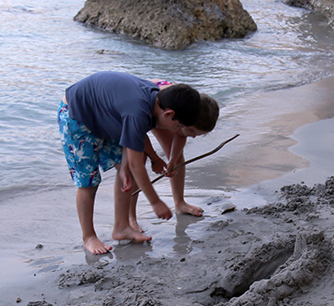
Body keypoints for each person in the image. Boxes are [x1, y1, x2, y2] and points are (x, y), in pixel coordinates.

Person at [59, 71, 202, 255]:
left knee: (127, 170)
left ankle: (121, 227)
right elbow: (137, 164)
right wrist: (156, 202)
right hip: (76, 116)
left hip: (106, 117)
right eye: (177, 126)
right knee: (89, 181)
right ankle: (88, 236)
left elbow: (133, 139)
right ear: (169, 114)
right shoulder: (138, 111)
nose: (176, 130)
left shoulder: (155, 102)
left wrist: (141, 161)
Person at [128, 92, 219, 232]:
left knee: (177, 157)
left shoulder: (187, 110)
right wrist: (154, 158)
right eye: (191, 130)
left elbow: (181, 134)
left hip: (165, 111)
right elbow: (137, 135)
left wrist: (172, 160)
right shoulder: (150, 109)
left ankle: (180, 203)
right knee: (138, 159)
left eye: (198, 134)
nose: (193, 136)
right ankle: (130, 217)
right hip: (145, 113)